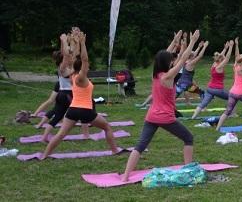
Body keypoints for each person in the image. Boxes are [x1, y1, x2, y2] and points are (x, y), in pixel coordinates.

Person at [122, 30, 200, 180]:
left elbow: (163, 55)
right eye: (170, 60)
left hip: (151, 116)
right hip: (165, 117)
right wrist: (192, 42)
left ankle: (125, 176)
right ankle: (188, 171)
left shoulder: (156, 74)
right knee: (188, 138)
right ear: (167, 62)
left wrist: (175, 40)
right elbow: (183, 58)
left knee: (140, 146)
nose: (172, 61)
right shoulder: (168, 76)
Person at [42, 31, 121, 159]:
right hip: (85, 110)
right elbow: (84, 59)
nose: (88, 66)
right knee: (107, 127)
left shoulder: (72, 74)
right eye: (87, 66)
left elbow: (74, 57)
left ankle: (44, 155)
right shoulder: (81, 77)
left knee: (60, 135)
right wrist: (83, 43)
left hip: (72, 110)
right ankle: (115, 151)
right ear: (83, 67)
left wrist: (76, 42)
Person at [215, 37, 242, 131]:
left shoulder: (236, 65)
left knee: (228, 111)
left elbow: (236, 56)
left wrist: (237, 44)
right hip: (241, 94)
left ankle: (217, 128)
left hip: (232, 92)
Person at [191, 40, 233, 119]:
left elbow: (220, 56)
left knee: (204, 103)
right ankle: (232, 114)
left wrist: (225, 49)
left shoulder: (214, 64)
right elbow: (227, 58)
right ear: (220, 60)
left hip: (209, 88)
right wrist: (230, 47)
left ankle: (193, 117)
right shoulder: (219, 67)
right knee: (232, 97)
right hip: (217, 89)